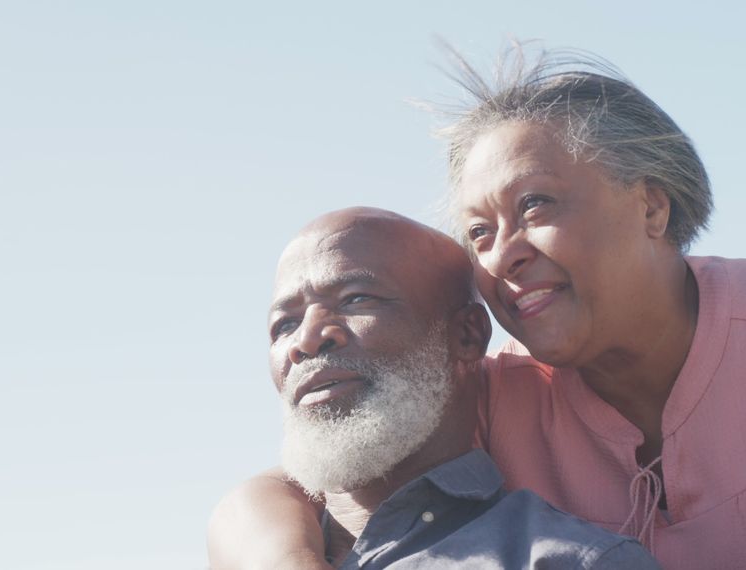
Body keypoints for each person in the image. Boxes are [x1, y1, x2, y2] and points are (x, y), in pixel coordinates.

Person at [218, 48, 746, 569]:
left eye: (535, 205)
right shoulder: (500, 385)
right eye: (478, 231)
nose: (501, 252)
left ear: (651, 205)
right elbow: (277, 491)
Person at [207, 207, 660, 569]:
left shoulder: (565, 560)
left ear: (465, 335)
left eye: (356, 299)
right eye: (283, 324)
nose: (306, 340)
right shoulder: (253, 542)